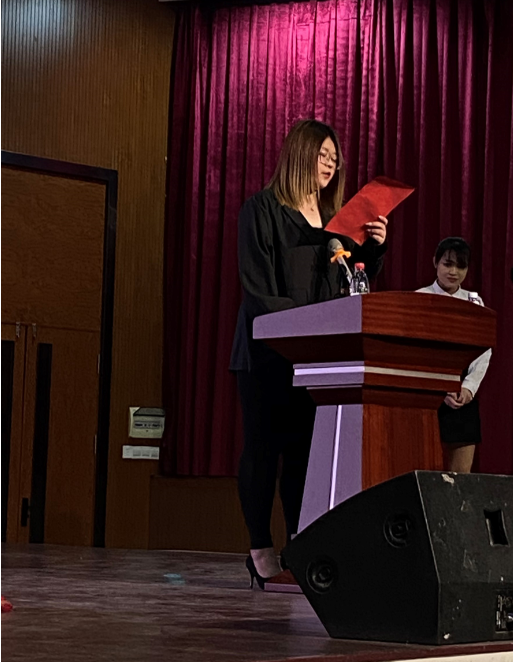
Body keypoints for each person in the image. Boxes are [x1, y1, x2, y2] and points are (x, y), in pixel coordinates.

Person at [229, 119, 388, 587]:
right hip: (267, 353)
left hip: (317, 356)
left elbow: (352, 282)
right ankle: (260, 548)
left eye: (335, 158)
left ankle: (299, 545)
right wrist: (304, 326)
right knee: (263, 451)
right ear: (299, 154)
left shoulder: (336, 222)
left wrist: (374, 249)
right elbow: (258, 289)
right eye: (322, 154)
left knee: (304, 455)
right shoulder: (262, 209)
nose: (330, 164)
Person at [417, 237, 491, 474]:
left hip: (462, 396)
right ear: (435, 262)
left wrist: (468, 388)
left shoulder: (474, 302)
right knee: (422, 474)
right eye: (448, 264)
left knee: (460, 480)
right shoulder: (419, 298)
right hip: (425, 397)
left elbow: (483, 350)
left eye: (461, 266)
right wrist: (439, 387)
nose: (453, 272)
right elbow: (416, 351)